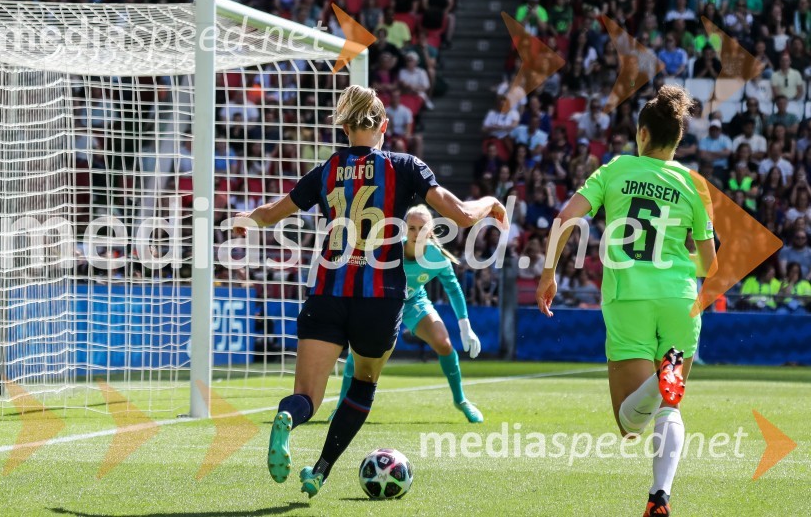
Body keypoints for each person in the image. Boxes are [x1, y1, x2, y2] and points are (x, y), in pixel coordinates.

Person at [234, 85, 507, 498]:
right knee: (363, 383)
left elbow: (269, 215)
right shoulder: (405, 165)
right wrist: (493, 203)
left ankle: (288, 416)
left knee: (306, 396)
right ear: (383, 125)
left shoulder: (326, 169)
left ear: (343, 128)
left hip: (328, 293)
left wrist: (242, 222)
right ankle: (320, 471)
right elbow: (463, 216)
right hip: (379, 301)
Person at [534, 85, 716, 516]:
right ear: (677, 141)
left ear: (643, 134)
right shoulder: (695, 184)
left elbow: (564, 219)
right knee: (669, 408)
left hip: (627, 297)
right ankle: (659, 496)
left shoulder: (615, 169)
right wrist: (672, 262)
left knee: (629, 422)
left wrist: (548, 273)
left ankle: (660, 378)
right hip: (679, 298)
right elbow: (709, 262)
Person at [331, 205, 485, 424]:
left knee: (443, 343)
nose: (416, 233)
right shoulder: (388, 250)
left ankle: (460, 400)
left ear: (431, 231)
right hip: (383, 303)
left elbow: (453, 288)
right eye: (411, 228)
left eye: (422, 228)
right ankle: (340, 406)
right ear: (403, 229)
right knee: (360, 350)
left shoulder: (437, 257)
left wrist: (465, 326)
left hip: (413, 302)